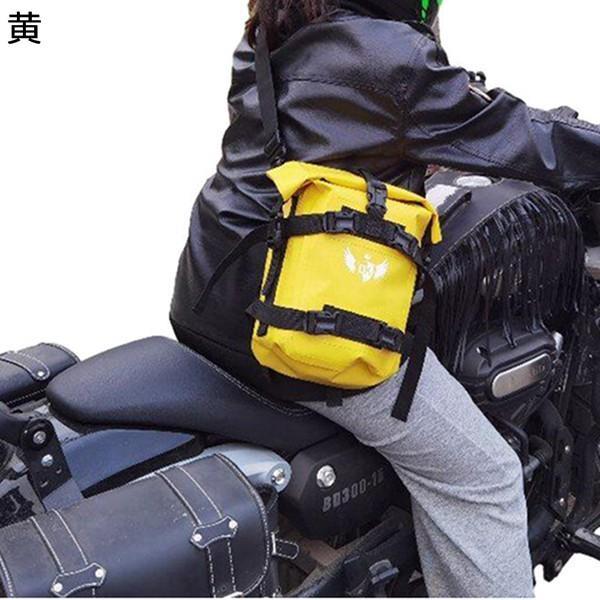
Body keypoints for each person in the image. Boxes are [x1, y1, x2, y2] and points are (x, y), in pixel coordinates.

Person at [171, 1, 600, 596]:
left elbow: (342, 131)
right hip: (292, 318)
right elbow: (518, 136)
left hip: (214, 286)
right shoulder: (386, 55)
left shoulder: (279, 30)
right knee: (484, 479)